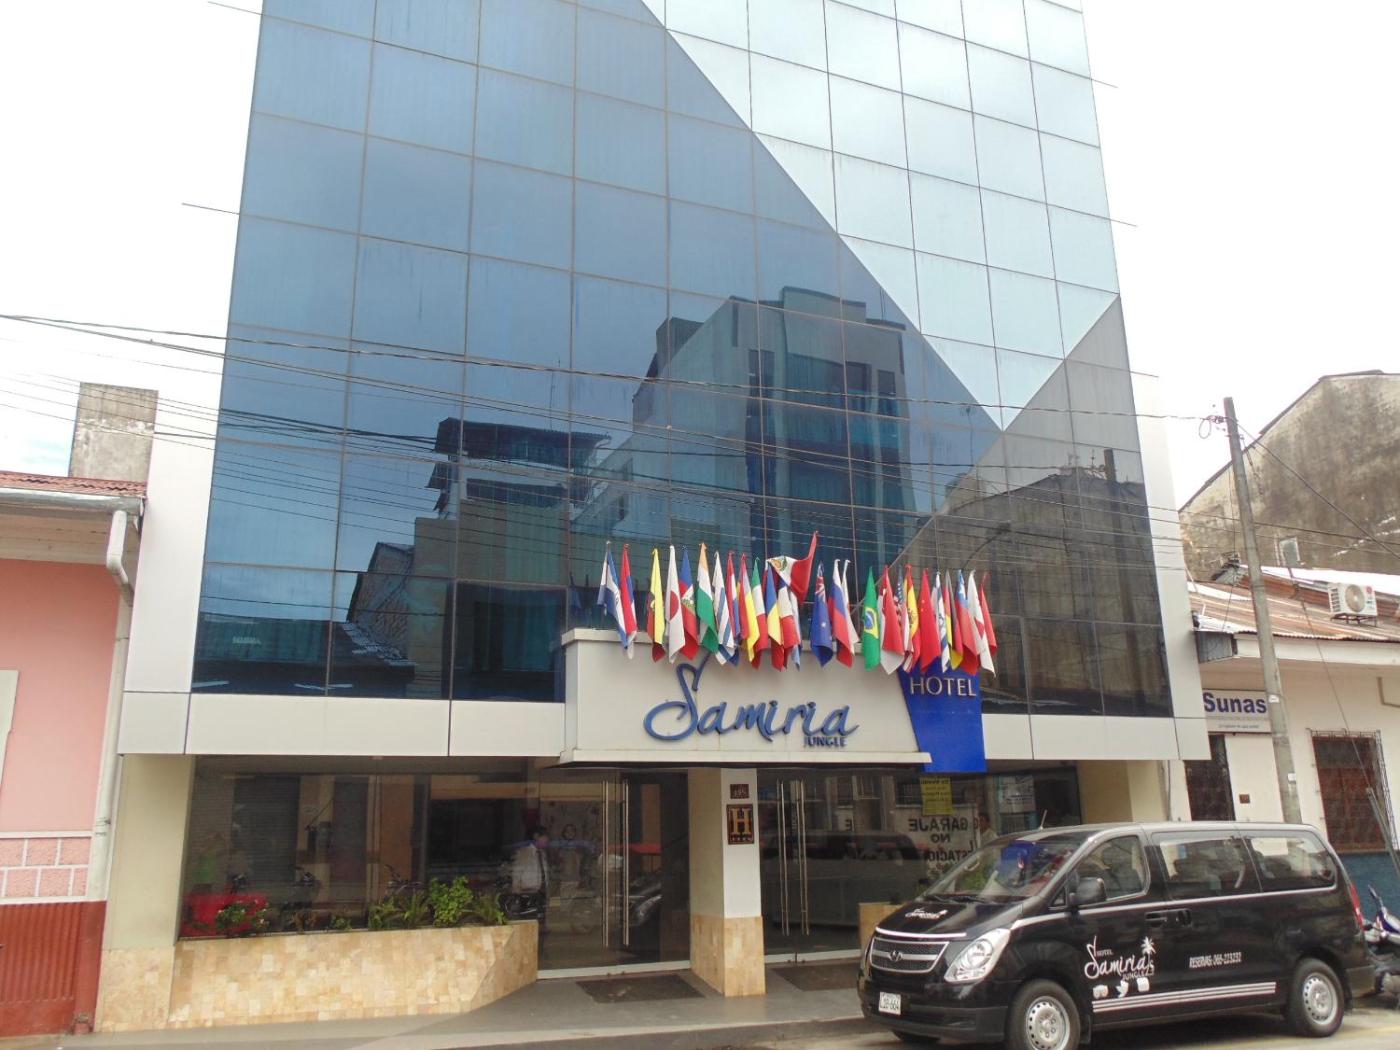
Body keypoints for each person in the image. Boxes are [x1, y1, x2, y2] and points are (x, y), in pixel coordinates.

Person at [510, 826, 551, 926]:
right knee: (529, 921)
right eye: (545, 837)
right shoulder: (524, 853)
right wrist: (516, 890)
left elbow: (545, 873)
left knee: (540, 921)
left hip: (541, 893)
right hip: (527, 893)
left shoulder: (543, 854)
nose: (547, 840)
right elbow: (516, 873)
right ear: (536, 836)